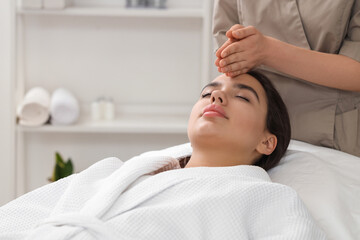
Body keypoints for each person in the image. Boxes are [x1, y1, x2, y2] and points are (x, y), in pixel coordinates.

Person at [0, 72, 326, 239]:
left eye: (242, 96)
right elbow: (21, 217)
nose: (216, 95)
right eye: (207, 92)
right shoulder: (116, 174)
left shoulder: (267, 198)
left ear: (268, 142)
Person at [213, 0, 360, 157]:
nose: (213, 97)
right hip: (253, 137)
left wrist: (266, 51)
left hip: (333, 134)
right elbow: (228, 56)